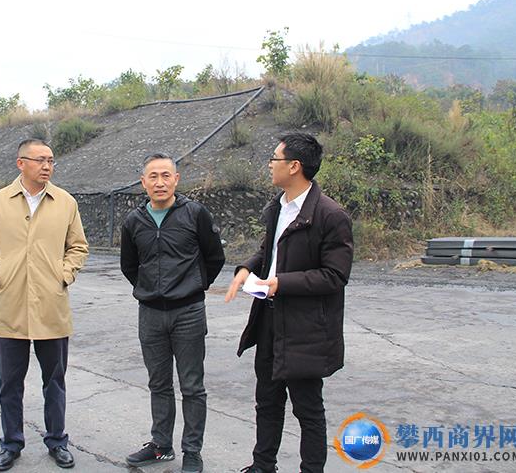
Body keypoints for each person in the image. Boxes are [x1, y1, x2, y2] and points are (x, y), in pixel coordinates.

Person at [224, 133, 353, 473]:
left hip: (306, 329)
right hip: (269, 320)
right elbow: (268, 252)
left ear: (294, 166)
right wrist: (246, 269)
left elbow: (335, 275)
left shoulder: (331, 215)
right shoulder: (277, 207)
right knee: (267, 401)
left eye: (275, 159)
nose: (270, 165)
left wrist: (282, 283)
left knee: (308, 409)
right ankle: (262, 465)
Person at [0, 138, 89, 471]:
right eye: (40, 160)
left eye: (51, 160)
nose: (47, 166)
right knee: (10, 383)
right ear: (21, 163)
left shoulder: (65, 202)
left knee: (55, 380)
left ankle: (57, 441)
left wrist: (64, 275)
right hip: (10, 306)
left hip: (52, 306)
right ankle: (11, 443)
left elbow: (78, 247)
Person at [120, 153, 225, 473]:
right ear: (143, 182)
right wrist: (150, 289)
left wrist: (193, 286)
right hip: (150, 314)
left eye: (166, 175)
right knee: (159, 383)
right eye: (153, 176)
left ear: (176, 180)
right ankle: (161, 445)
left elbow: (215, 257)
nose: (160, 182)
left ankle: (192, 451)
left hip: (188, 313)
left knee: (192, 386)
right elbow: (129, 266)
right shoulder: (134, 221)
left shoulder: (195, 214)